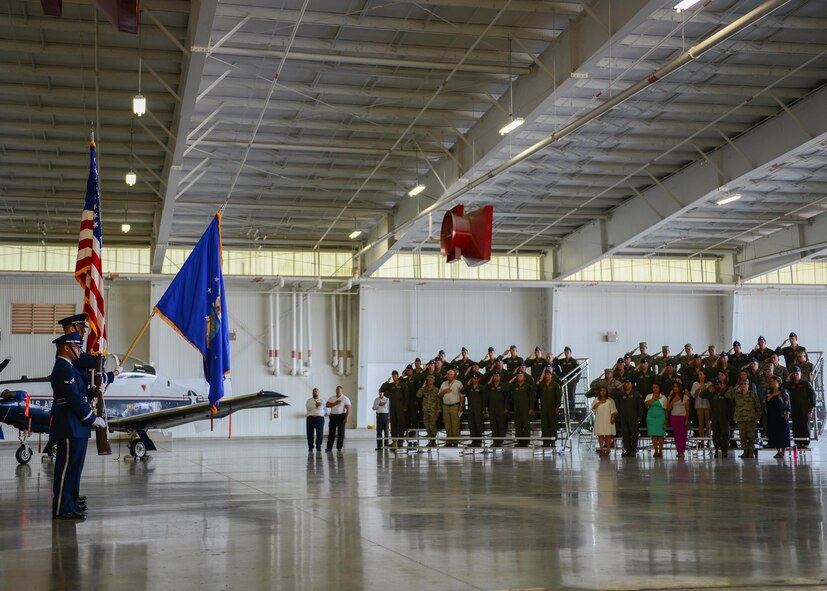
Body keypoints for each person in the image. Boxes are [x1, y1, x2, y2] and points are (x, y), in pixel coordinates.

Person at [51, 332, 106, 520]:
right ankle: (62, 508)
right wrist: (92, 419)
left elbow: (79, 394)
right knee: (67, 468)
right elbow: (73, 399)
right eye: (77, 347)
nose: (80, 350)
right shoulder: (63, 368)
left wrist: (92, 393)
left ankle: (70, 504)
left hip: (77, 425)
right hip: (69, 424)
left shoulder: (70, 368)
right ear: (66, 348)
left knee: (75, 468)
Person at [729, 381, 761, 459]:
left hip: (751, 418)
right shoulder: (737, 394)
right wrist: (735, 388)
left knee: (750, 436)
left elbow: (758, 406)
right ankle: (745, 451)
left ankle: (751, 452)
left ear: (748, 385)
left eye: (745, 384)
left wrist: (757, 417)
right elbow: (727, 395)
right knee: (743, 436)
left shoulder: (753, 394)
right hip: (740, 418)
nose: (743, 386)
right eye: (741, 384)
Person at [787, 366, 816, 450]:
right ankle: (798, 442)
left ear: (800, 374)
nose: (795, 375)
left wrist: (812, 405)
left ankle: (806, 443)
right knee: (796, 425)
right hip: (794, 408)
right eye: (794, 373)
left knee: (804, 424)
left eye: (797, 373)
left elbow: (812, 394)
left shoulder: (805, 383)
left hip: (804, 408)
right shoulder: (790, 384)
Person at [380, 370, 408, 449]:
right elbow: (382, 389)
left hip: (400, 407)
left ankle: (400, 442)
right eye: (393, 376)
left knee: (401, 424)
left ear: (398, 376)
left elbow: (406, 397)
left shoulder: (403, 385)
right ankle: (394, 441)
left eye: (395, 376)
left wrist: (405, 407)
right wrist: (387, 382)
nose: (394, 377)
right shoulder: (390, 385)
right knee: (393, 424)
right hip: (392, 407)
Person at [506, 368, 535, 447]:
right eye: (518, 376)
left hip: (525, 409)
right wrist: (513, 378)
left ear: (524, 377)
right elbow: (507, 387)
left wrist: (531, 408)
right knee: (518, 425)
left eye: (521, 375)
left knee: (526, 425)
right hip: (517, 409)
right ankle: (519, 441)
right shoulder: (514, 386)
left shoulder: (528, 386)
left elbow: (532, 398)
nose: (519, 377)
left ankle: (526, 441)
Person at [765, 375, 791, 459]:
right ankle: (778, 451)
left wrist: (787, 412)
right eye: (771, 381)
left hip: (781, 415)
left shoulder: (783, 391)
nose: (772, 383)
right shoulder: (769, 391)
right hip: (772, 415)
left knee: (782, 433)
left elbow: (787, 402)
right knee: (774, 433)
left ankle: (783, 451)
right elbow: (765, 400)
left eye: (774, 381)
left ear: (778, 382)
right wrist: (772, 395)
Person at [617, 378, 643, 457]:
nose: (626, 384)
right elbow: (612, 395)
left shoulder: (636, 394)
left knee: (634, 434)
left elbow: (641, 407)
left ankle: (633, 450)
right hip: (624, 417)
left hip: (633, 417)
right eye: (625, 383)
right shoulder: (621, 394)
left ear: (632, 384)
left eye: (628, 383)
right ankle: (627, 450)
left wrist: (639, 416)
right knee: (625, 434)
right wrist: (618, 387)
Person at [537, 366, 562, 447]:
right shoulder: (542, 384)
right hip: (544, 407)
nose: (547, 376)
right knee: (544, 425)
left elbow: (558, 396)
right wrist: (540, 379)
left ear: (551, 375)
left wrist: (558, 406)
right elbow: (535, 387)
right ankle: (545, 441)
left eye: (548, 374)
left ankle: (553, 441)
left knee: (552, 424)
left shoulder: (555, 385)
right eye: (546, 374)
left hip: (552, 408)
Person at [438, 369, 464, 447]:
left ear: (454, 375)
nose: (449, 376)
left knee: (455, 424)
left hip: (455, 406)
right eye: (448, 374)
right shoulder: (443, 384)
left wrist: (461, 406)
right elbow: (439, 395)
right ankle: (449, 441)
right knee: (447, 425)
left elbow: (462, 395)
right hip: (445, 406)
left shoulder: (458, 383)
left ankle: (455, 441)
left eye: (451, 374)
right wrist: (444, 391)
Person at [461, 372, 486, 447]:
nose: (473, 379)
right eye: (472, 378)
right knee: (471, 425)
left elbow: (484, 399)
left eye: (475, 378)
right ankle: (473, 441)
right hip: (471, 409)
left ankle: (479, 441)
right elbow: (462, 391)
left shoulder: (481, 387)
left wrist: (484, 409)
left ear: (478, 379)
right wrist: (467, 384)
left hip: (479, 409)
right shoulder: (469, 387)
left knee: (479, 425)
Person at [666, 381, 690, 458]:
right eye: (674, 387)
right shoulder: (671, 397)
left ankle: (682, 451)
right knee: (676, 434)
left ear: (680, 388)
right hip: (674, 417)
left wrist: (686, 420)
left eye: (676, 386)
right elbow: (668, 408)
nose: (675, 388)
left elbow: (687, 410)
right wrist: (673, 401)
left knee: (682, 434)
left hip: (682, 417)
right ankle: (678, 450)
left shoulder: (685, 397)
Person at [485, 370, 509, 447]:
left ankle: (500, 441)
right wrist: (489, 382)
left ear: (500, 376)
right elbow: (484, 391)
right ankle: (495, 441)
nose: (495, 377)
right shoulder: (490, 386)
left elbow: (507, 397)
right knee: (494, 425)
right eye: (494, 376)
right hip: (492, 408)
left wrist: (506, 407)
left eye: (497, 376)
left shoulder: (503, 385)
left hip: (501, 408)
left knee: (501, 425)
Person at [592, 386, 617, 456]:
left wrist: (612, 417)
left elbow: (613, 410)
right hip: (599, 418)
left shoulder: (610, 400)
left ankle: (608, 449)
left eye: (604, 391)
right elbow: (593, 408)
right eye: (601, 391)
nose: (602, 392)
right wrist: (599, 402)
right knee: (600, 434)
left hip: (607, 418)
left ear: (606, 392)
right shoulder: (596, 399)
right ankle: (601, 449)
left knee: (608, 434)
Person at [416, 374, 440, 447]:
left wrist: (438, 410)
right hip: (426, 410)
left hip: (433, 410)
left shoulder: (436, 390)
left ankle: (433, 441)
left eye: (430, 380)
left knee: (432, 425)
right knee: (426, 424)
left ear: (433, 381)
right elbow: (418, 395)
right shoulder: (424, 389)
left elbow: (439, 401)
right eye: (427, 380)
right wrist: (423, 387)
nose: (428, 381)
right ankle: (430, 439)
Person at [325, 386, 351, 452]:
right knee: (331, 433)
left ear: (342, 391)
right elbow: (327, 405)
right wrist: (335, 403)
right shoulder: (332, 398)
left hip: (341, 416)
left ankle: (339, 447)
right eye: (336, 390)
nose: (337, 391)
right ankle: (329, 447)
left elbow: (348, 409)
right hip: (333, 416)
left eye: (339, 390)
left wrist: (346, 418)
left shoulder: (345, 398)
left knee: (341, 432)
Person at [645, 383, 667, 458]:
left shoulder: (663, 397)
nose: (655, 389)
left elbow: (666, 408)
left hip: (660, 417)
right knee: (653, 434)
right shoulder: (649, 396)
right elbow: (646, 404)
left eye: (656, 387)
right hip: (651, 417)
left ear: (659, 388)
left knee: (660, 434)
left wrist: (666, 419)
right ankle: (656, 450)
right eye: (653, 387)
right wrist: (653, 399)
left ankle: (660, 450)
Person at [691, 371, 711, 448]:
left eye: (701, 374)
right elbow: (693, 395)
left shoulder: (709, 383)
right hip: (699, 405)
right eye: (698, 374)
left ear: (705, 375)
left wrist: (705, 388)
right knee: (701, 424)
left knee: (708, 424)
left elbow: (710, 393)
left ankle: (709, 441)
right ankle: (701, 441)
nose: (700, 376)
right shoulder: (695, 384)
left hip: (707, 405)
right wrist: (699, 389)